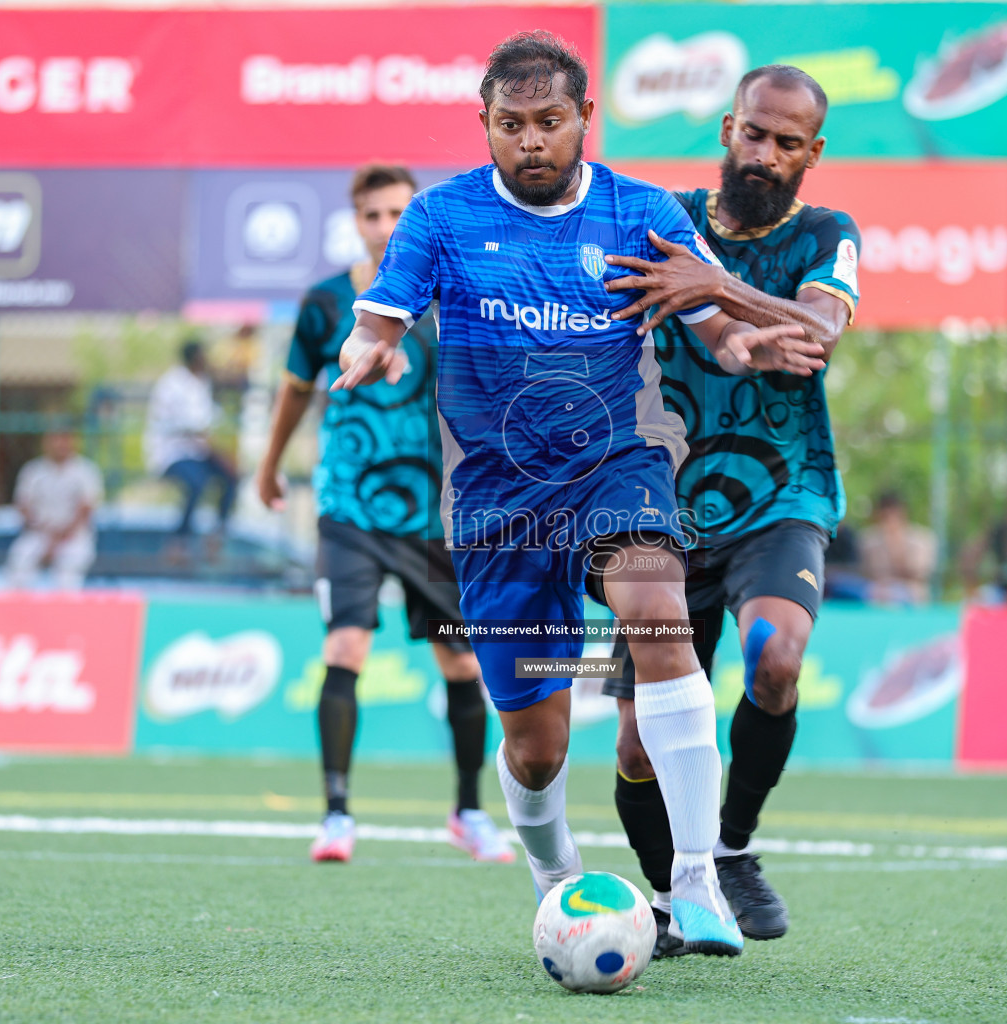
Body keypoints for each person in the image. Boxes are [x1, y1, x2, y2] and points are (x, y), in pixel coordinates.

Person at [335, 32, 819, 956]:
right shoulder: (439, 217)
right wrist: (370, 346)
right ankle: (557, 880)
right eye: (509, 125)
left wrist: (746, 341)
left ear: (584, 121)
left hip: (615, 464)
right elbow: (380, 316)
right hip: (497, 502)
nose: (530, 142)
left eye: (549, 122)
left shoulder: (639, 213)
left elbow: (715, 326)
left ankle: (695, 878)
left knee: (654, 605)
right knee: (537, 747)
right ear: (483, 124)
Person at [592, 64, 858, 953]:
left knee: (775, 657)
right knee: (634, 747)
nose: (766, 153)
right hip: (658, 503)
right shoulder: (660, 222)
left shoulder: (825, 234)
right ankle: (674, 899)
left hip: (782, 491)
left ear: (812, 154)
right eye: (754, 132)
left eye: (788, 143)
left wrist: (711, 286)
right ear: (725, 129)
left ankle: (734, 849)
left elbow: (815, 334)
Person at [256, 164, 512, 865]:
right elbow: (295, 391)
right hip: (350, 506)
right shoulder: (325, 303)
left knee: (461, 663)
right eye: (373, 215)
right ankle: (336, 815)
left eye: (399, 212)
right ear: (357, 221)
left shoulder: (449, 299)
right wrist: (269, 464)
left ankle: (468, 811)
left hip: (436, 512)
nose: (386, 226)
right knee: (346, 647)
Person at [145, 339, 238, 539]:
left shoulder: (201, 383)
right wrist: (222, 456)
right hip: (171, 453)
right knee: (198, 482)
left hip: (197, 452)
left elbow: (211, 423)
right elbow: (198, 431)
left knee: (233, 476)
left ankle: (218, 534)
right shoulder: (173, 384)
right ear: (195, 358)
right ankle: (180, 540)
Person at [6, 429, 104, 591]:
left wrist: (58, 539)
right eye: (55, 439)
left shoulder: (85, 471)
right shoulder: (33, 471)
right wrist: (45, 533)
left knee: (67, 573)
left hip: (73, 536)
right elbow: (23, 505)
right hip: (39, 533)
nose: (60, 444)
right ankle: (18, 613)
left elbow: (86, 509)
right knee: (20, 560)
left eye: (65, 439)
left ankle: (64, 614)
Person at [859, 491, 937, 606]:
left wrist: (896, 546)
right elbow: (869, 571)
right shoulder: (869, 539)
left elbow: (920, 571)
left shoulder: (923, 538)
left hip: (913, 592)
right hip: (880, 591)